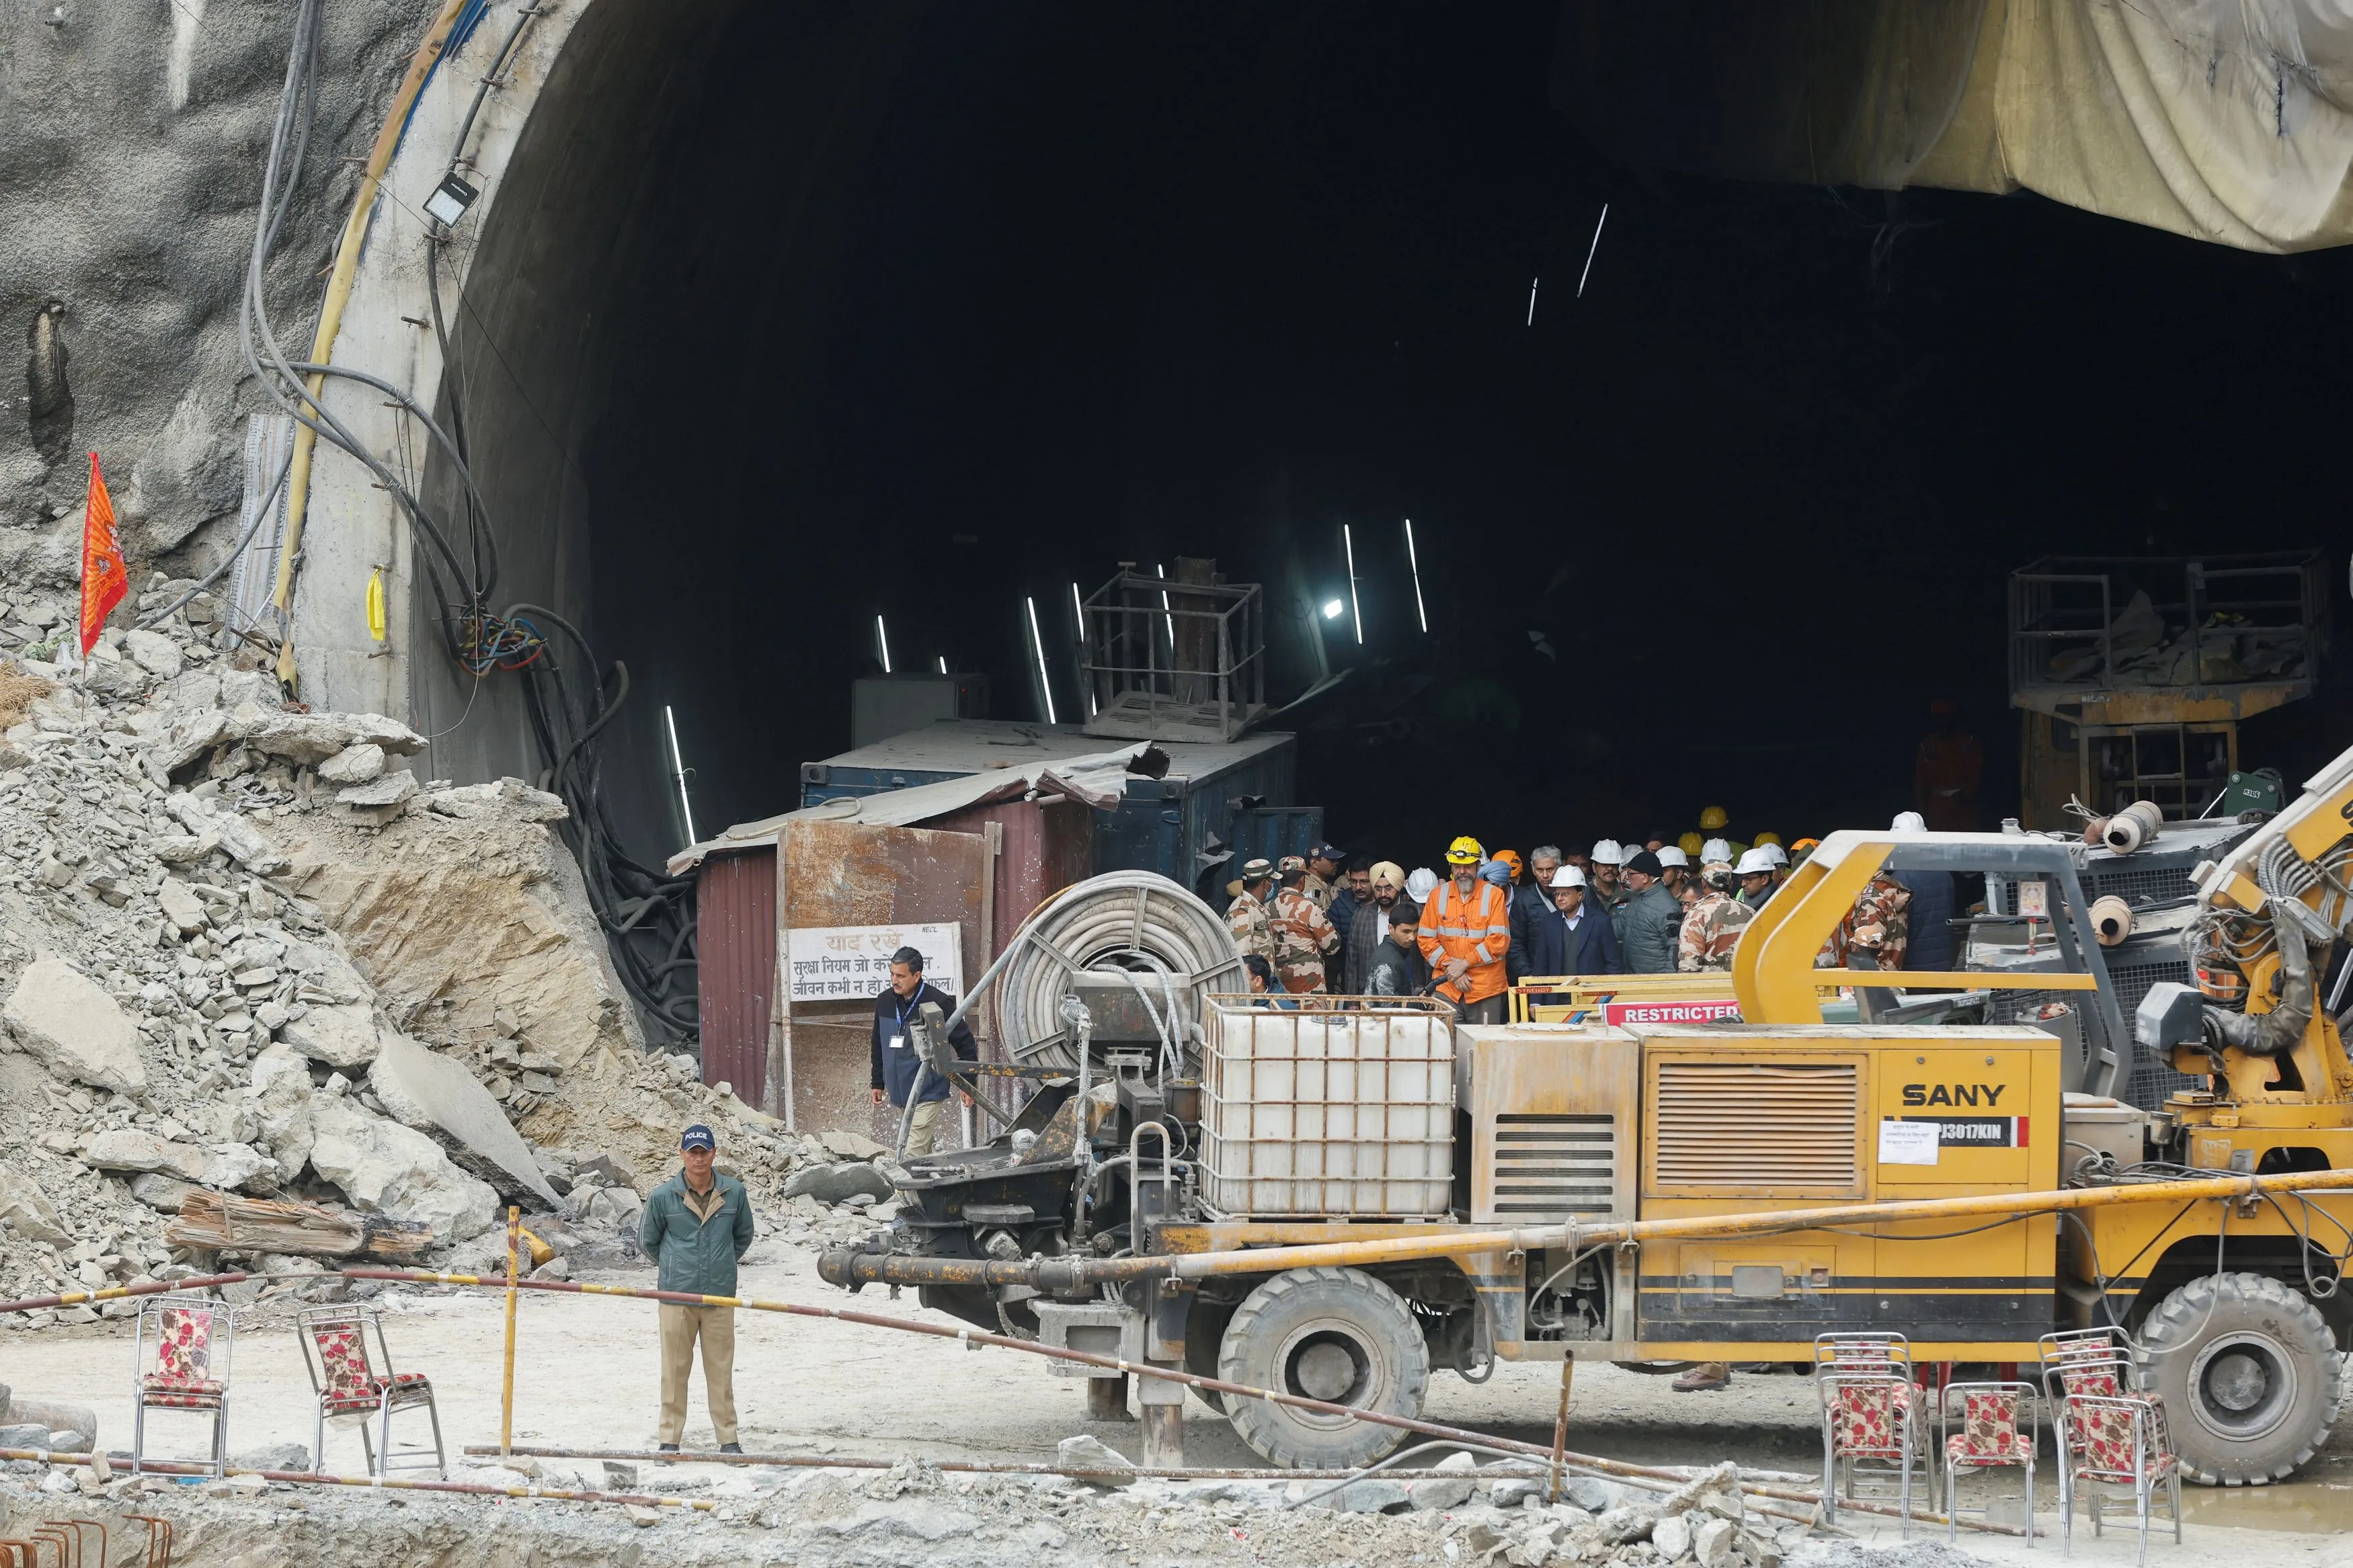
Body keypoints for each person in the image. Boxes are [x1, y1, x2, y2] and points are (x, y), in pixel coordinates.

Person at [639, 1123, 755, 1454]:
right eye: (693, 1152)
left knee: (720, 1371)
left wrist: (721, 1263)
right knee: (674, 1371)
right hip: (677, 1297)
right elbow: (647, 1242)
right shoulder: (662, 1196)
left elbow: (743, 1236)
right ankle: (669, 1441)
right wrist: (675, 1268)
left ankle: (728, 1440)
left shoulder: (734, 1192)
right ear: (682, 1155)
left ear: (714, 1154)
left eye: (704, 1151)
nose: (699, 1158)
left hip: (719, 1295)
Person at [869, 947, 977, 1158]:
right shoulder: (884, 1001)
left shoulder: (937, 1002)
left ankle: (901, 1191)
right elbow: (878, 1043)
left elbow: (965, 1043)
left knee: (910, 1155)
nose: (894, 980)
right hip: (901, 1094)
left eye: (900, 975)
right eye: (892, 974)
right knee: (923, 1154)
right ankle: (934, 1185)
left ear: (917, 976)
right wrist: (877, 1082)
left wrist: (968, 1083)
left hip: (928, 1092)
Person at [1419, 836, 1515, 1024]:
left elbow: (1499, 941)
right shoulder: (1437, 895)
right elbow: (1425, 940)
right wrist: (1453, 970)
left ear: (1478, 866)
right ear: (1451, 867)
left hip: (1485, 991)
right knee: (1446, 1048)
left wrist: (1463, 965)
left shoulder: (1494, 895)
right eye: (1457, 866)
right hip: (1447, 987)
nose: (1462, 872)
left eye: (1468, 866)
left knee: (1482, 1049)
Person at [1522, 864, 1620, 977]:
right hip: (1558, 993)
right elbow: (1541, 967)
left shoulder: (1601, 922)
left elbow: (1613, 964)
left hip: (1591, 993)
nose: (1559, 899)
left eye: (1565, 894)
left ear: (1580, 896)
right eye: (1557, 894)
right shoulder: (1548, 923)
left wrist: (1607, 994)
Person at [1888, 811, 1955, 972]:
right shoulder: (1944, 872)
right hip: (1944, 963)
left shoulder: (1901, 877)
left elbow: (1896, 929)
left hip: (1914, 966)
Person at [1271, 855, 1343, 993]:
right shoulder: (1310, 909)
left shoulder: (1266, 909)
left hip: (1279, 990)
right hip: (1310, 990)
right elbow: (1333, 946)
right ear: (1302, 880)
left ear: (1279, 882)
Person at [1915, 698, 1985, 833]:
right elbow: (1920, 779)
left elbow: (1977, 772)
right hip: (1936, 807)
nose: (1942, 722)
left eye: (1946, 717)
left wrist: (1967, 794)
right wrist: (1922, 808)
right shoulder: (1927, 744)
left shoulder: (1968, 742)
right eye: (1938, 717)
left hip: (1962, 805)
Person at [1344, 860, 1410, 993]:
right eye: (1378, 889)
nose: (1383, 894)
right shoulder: (1361, 916)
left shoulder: (1416, 912)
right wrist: (1351, 1002)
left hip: (1407, 992)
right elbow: (1352, 962)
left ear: (1398, 887)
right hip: (1369, 993)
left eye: (1389, 888)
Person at [1677, 860, 1753, 973]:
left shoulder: (1697, 914)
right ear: (1731, 884)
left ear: (1703, 882)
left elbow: (1689, 967)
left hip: (1711, 988)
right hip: (1742, 987)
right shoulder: (1750, 913)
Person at [1613, 850, 1681, 973]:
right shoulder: (1636, 899)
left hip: (1654, 984)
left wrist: (1666, 983)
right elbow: (1618, 929)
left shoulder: (1667, 908)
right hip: (1632, 978)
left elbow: (1674, 948)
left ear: (1645, 877)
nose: (1627, 878)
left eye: (1630, 874)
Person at [1506, 845, 1564, 983]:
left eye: (1550, 869)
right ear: (1533, 871)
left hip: (1574, 973)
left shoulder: (1579, 893)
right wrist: (1528, 975)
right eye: (1540, 870)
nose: (1545, 875)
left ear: (1560, 867)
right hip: (1539, 975)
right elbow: (1515, 942)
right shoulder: (1524, 900)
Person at [1365, 903, 1430, 996]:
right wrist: (1422, 1003)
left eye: (1415, 931)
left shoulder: (1396, 952)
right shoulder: (1387, 960)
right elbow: (1390, 1006)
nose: (1412, 937)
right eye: (1406, 931)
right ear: (1391, 929)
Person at [1226, 858, 1278, 964]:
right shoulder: (1242, 913)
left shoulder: (1255, 908)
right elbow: (1242, 961)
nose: (1272, 885)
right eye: (1271, 881)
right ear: (1264, 883)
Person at [1326, 855, 1373, 942]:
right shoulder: (1338, 906)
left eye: (1364, 882)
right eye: (1353, 881)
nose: (1358, 887)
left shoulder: (1386, 903)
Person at [1300, 841, 1347, 912]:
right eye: (1331, 860)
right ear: (1314, 863)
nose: (1336, 863)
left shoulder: (1324, 886)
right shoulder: (1307, 889)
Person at [1587, 840, 1626, 912]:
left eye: (1614, 864)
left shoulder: (1630, 894)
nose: (1610, 868)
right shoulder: (1584, 895)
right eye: (1604, 864)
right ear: (1594, 867)